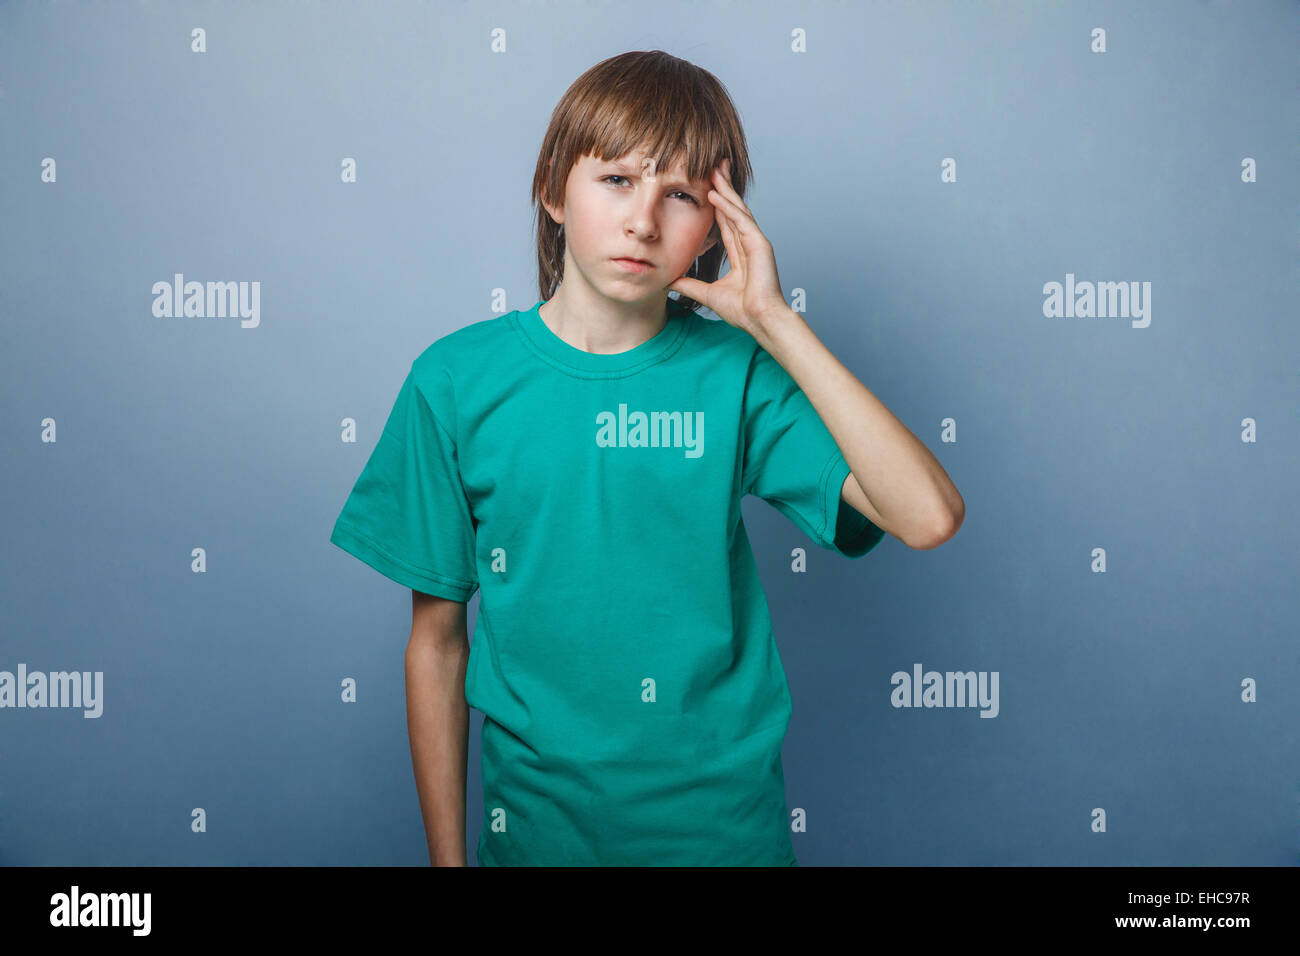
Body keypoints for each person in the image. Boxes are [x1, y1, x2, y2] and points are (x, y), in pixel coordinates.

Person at [329, 50, 964, 867]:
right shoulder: (453, 382)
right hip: (535, 839)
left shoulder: (737, 375)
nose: (643, 221)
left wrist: (775, 322)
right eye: (617, 180)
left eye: (681, 195)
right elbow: (438, 645)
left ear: (716, 225)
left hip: (724, 837)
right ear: (553, 189)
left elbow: (928, 516)